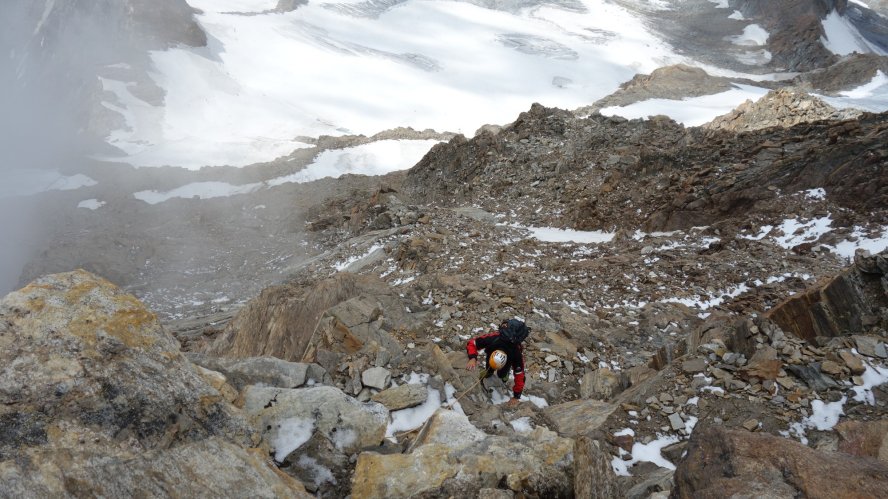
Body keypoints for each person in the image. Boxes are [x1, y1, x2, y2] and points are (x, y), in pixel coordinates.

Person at [466, 319, 530, 408]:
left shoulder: (515, 351)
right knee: (489, 371)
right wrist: (472, 358)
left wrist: (516, 396)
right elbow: (472, 343)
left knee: (502, 375)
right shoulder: (495, 338)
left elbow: (520, 374)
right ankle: (490, 372)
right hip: (493, 355)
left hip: (506, 359)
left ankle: (504, 376)